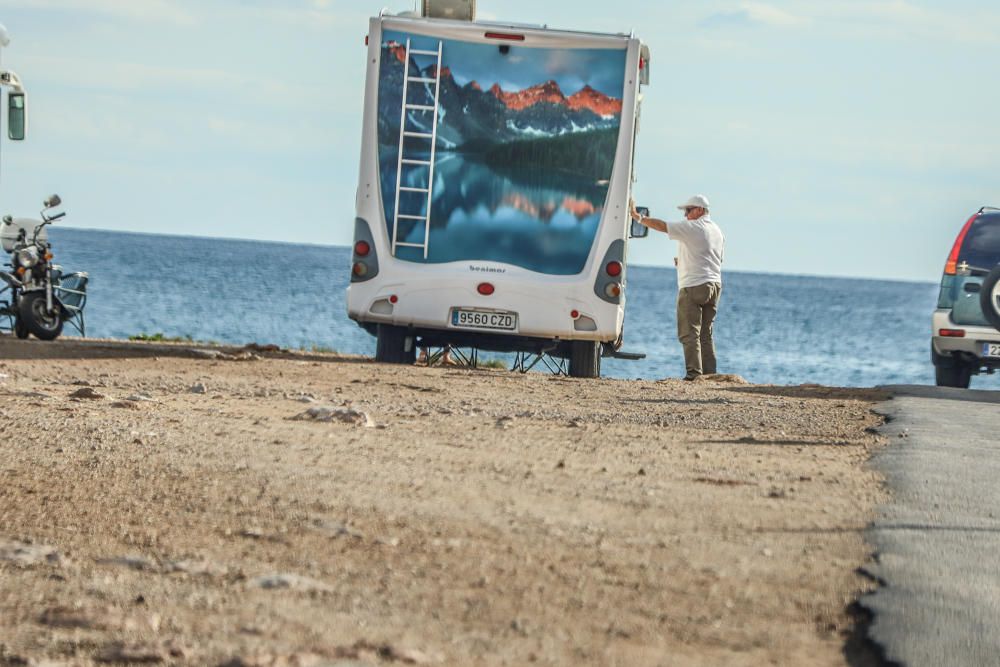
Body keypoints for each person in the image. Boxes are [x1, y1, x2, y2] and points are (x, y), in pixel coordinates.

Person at [630, 194, 725, 380]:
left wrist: (638, 217)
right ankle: (710, 375)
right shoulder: (717, 230)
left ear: (699, 210)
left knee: (689, 333)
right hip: (714, 285)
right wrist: (683, 261)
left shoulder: (694, 226)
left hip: (693, 286)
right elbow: (714, 258)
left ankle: (693, 375)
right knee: (706, 334)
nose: (686, 215)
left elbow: (662, 226)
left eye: (688, 210)